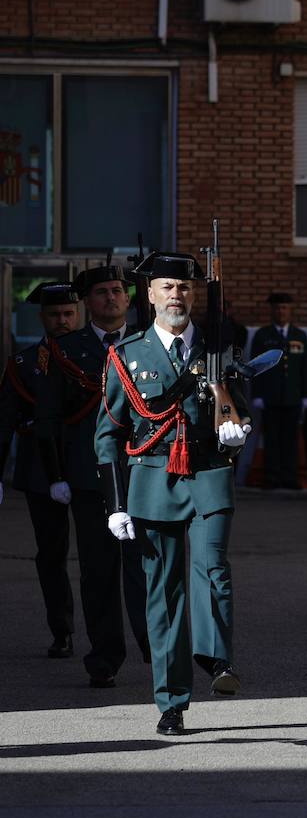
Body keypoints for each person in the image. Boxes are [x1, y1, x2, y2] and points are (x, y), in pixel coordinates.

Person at [95, 251, 252, 735]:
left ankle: (215, 658)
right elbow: (109, 433)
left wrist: (238, 432)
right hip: (153, 476)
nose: (177, 295)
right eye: (167, 287)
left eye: (184, 287)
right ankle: (171, 700)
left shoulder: (220, 346)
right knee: (163, 593)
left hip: (208, 471)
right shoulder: (128, 353)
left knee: (213, 568)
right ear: (150, 295)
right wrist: (115, 503)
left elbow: (239, 409)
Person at [38, 265, 151, 686]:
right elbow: (48, 417)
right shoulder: (68, 349)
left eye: (117, 291)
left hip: (144, 474)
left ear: (128, 298)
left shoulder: (147, 343)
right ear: (87, 301)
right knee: (98, 574)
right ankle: (104, 657)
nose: (110, 298)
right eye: (101, 292)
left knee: (146, 568)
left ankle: (153, 646)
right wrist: (56, 474)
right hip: (90, 478)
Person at [1, 282, 80, 660]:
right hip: (40, 468)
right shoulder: (23, 364)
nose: (62, 320)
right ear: (42, 318)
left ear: (77, 314)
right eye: (54, 314)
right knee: (51, 553)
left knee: (106, 553)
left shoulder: (96, 355)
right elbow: (4, 420)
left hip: (87, 463)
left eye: (68, 313)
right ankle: (61, 629)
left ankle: (109, 632)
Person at [250, 293, 307, 489]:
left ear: (290, 310)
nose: (281, 311)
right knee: (272, 439)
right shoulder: (263, 335)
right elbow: (255, 367)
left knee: (290, 440)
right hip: (270, 397)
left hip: (292, 396)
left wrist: (306, 395)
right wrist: (257, 395)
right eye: (277, 308)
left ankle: (289, 477)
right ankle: (272, 477)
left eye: (284, 308)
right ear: (272, 311)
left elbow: (305, 368)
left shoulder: (299, 335)